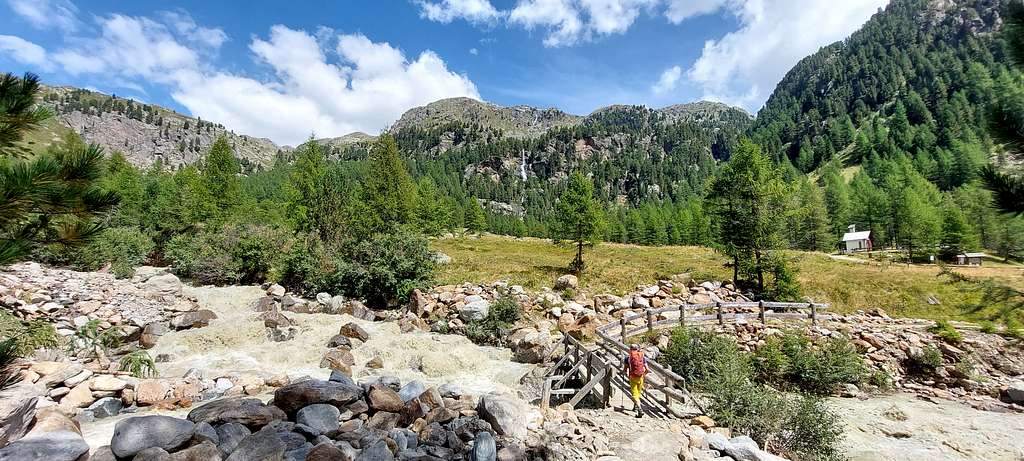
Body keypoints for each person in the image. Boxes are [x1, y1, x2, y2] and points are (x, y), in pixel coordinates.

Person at [623, 343, 647, 418]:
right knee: (638, 393)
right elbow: (647, 369)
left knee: (634, 394)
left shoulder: (628, 358)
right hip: (641, 377)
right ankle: (635, 407)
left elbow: (625, 369)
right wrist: (643, 374)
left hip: (632, 377)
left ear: (630, 349)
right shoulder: (642, 356)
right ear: (638, 349)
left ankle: (639, 409)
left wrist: (625, 373)